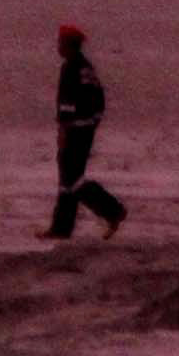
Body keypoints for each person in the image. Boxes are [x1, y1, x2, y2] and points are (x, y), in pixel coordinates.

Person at [44, 23, 127, 239]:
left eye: (59, 42)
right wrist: (93, 123)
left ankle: (113, 211)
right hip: (85, 130)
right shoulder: (86, 67)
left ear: (67, 45)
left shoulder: (70, 67)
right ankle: (62, 228)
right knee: (68, 180)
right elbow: (99, 100)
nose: (57, 47)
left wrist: (64, 130)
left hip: (75, 131)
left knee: (73, 179)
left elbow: (66, 103)